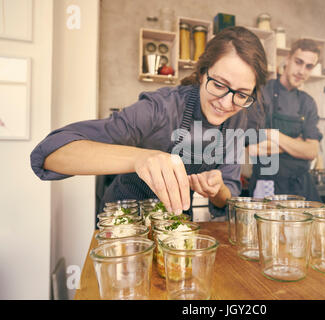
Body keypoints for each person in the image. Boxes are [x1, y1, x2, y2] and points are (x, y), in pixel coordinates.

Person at [30, 26, 268, 219]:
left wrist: (218, 190)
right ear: (202, 72)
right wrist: (140, 158)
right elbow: (51, 153)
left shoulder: (238, 117)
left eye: (242, 94)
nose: (227, 103)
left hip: (175, 222)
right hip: (125, 219)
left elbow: (230, 198)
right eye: (218, 85)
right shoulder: (160, 108)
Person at [246, 38, 323, 201]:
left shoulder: (308, 103)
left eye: (308, 66)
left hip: (302, 187)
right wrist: (298, 143)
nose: (302, 71)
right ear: (287, 59)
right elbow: (254, 149)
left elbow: (312, 151)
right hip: (267, 184)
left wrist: (274, 136)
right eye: (298, 62)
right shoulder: (261, 93)